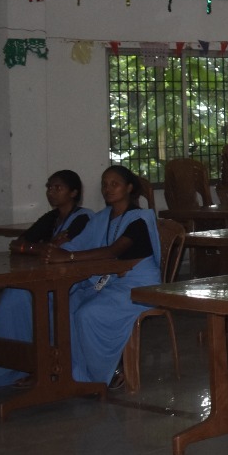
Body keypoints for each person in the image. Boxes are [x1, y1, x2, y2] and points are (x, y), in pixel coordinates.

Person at [0, 170, 94, 389]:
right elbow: (18, 244)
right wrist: (39, 247)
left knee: (19, 296)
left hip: (71, 284)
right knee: (15, 295)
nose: (51, 192)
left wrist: (35, 248)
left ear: (74, 192)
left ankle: (31, 363)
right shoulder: (52, 218)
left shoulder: (83, 218)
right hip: (45, 278)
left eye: (57, 188)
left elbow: (60, 250)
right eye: (49, 187)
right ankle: (11, 360)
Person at [58, 165, 162, 389]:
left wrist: (70, 256)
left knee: (88, 313)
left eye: (114, 184)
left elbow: (113, 251)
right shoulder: (101, 218)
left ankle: (103, 375)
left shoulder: (139, 219)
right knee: (68, 305)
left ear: (129, 188)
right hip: (111, 282)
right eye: (104, 184)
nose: (108, 189)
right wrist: (57, 252)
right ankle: (76, 373)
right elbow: (80, 243)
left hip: (140, 288)